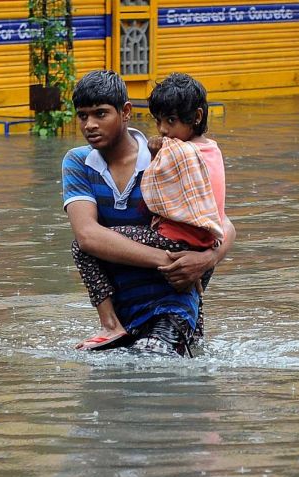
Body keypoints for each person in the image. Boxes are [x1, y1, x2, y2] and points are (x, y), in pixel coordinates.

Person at [61, 70, 235, 356]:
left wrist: (205, 260)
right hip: (125, 315)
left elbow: (219, 220)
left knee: (154, 380)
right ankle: (110, 325)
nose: (90, 125)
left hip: (173, 308)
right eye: (83, 116)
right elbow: (87, 236)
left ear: (126, 112)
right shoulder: (78, 163)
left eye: (101, 114)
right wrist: (174, 263)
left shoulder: (169, 158)